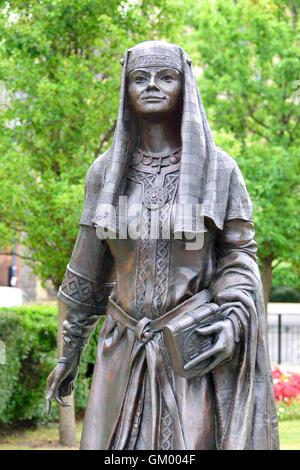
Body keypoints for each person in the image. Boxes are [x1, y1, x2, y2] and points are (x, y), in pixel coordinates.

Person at [45, 41, 279, 450]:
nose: (152, 85)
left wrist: (233, 320)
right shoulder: (104, 173)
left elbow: (239, 259)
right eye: (140, 78)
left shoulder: (219, 169)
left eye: (166, 77)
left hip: (189, 352)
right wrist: (69, 352)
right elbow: (85, 273)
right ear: (126, 89)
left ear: (184, 85)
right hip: (121, 350)